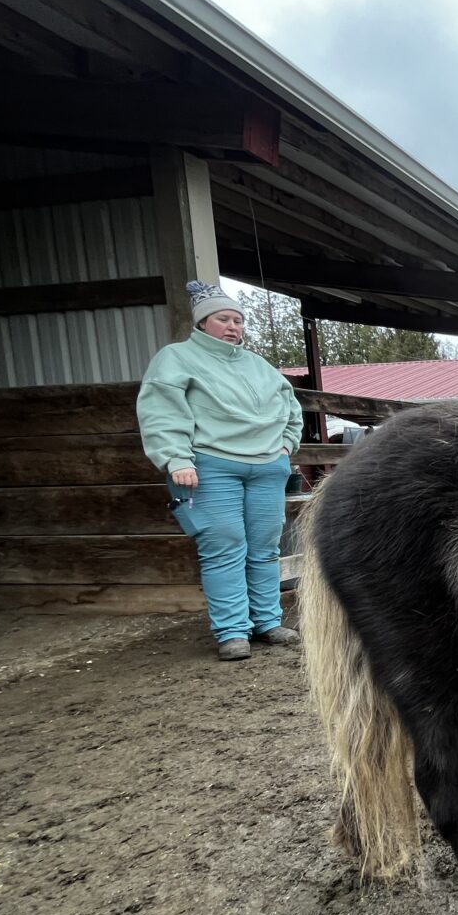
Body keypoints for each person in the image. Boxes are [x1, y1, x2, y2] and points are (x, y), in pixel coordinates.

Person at [138, 281, 304, 661]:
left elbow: (290, 406)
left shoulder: (257, 364)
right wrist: (177, 458)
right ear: (202, 323)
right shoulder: (176, 358)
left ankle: (267, 621)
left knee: (264, 547)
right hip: (212, 465)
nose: (233, 327)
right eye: (223, 319)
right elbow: (160, 409)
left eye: (238, 320)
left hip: (267, 466)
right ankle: (232, 631)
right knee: (224, 546)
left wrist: (286, 446)